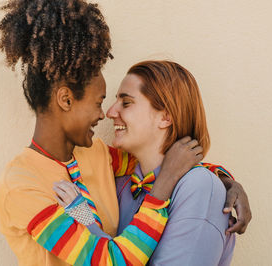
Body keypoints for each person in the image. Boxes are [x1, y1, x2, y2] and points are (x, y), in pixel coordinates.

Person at [0, 0, 251, 265]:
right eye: (98, 102)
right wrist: (161, 190)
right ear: (66, 100)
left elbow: (168, 163)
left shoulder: (98, 155)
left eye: (124, 102)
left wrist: (225, 182)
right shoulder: (22, 184)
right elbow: (111, 260)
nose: (105, 113)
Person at [54, 60, 238, 265]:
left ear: (166, 117)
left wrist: (85, 221)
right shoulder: (123, 184)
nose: (110, 112)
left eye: (126, 103)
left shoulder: (200, 187)